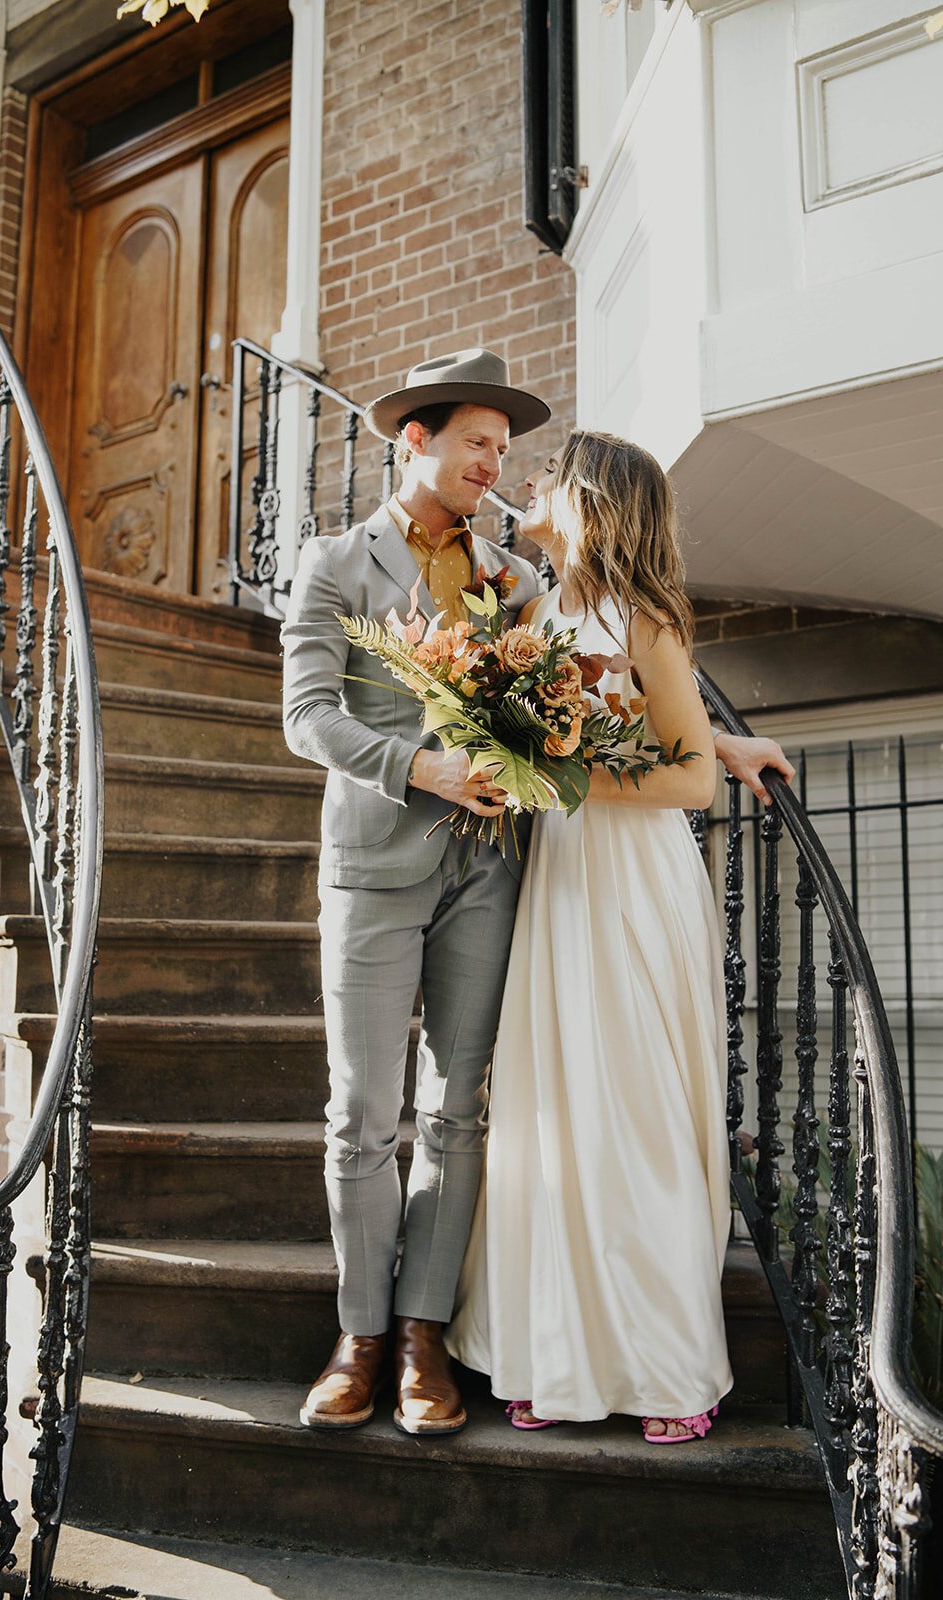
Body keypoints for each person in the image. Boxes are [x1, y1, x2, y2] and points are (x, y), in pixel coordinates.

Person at [281, 350, 793, 1439]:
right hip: (375, 864)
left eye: (505, 453)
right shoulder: (333, 564)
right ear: (411, 441)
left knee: (461, 1111)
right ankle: (360, 1338)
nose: (495, 468)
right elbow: (308, 717)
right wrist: (421, 767)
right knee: (362, 1117)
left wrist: (721, 744)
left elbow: (606, 676)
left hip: (497, 871)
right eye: (477, 444)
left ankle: (426, 1338)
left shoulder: (517, 578)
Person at [447, 429, 760, 1442]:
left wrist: (570, 773)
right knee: (553, 1112)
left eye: (548, 471)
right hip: (562, 881)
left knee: (631, 1111)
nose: (527, 480)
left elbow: (687, 776)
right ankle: (549, 1349)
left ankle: (661, 1363)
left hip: (629, 880)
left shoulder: (644, 615)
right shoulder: (538, 605)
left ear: (587, 499)